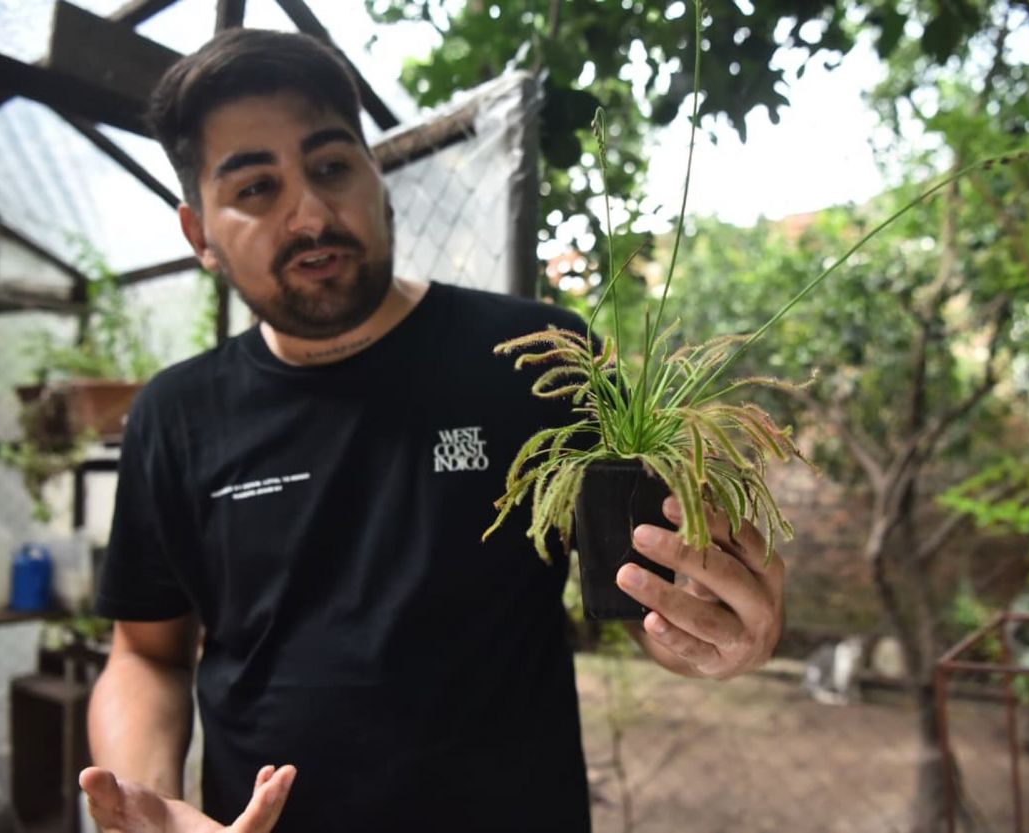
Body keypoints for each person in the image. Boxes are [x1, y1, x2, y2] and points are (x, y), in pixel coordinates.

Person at [79, 28, 786, 833]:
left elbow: (647, 596)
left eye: (331, 166)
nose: (310, 214)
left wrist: (712, 625)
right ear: (199, 234)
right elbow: (146, 651)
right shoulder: (176, 412)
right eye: (256, 188)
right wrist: (150, 801)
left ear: (377, 179)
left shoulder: (541, 359)